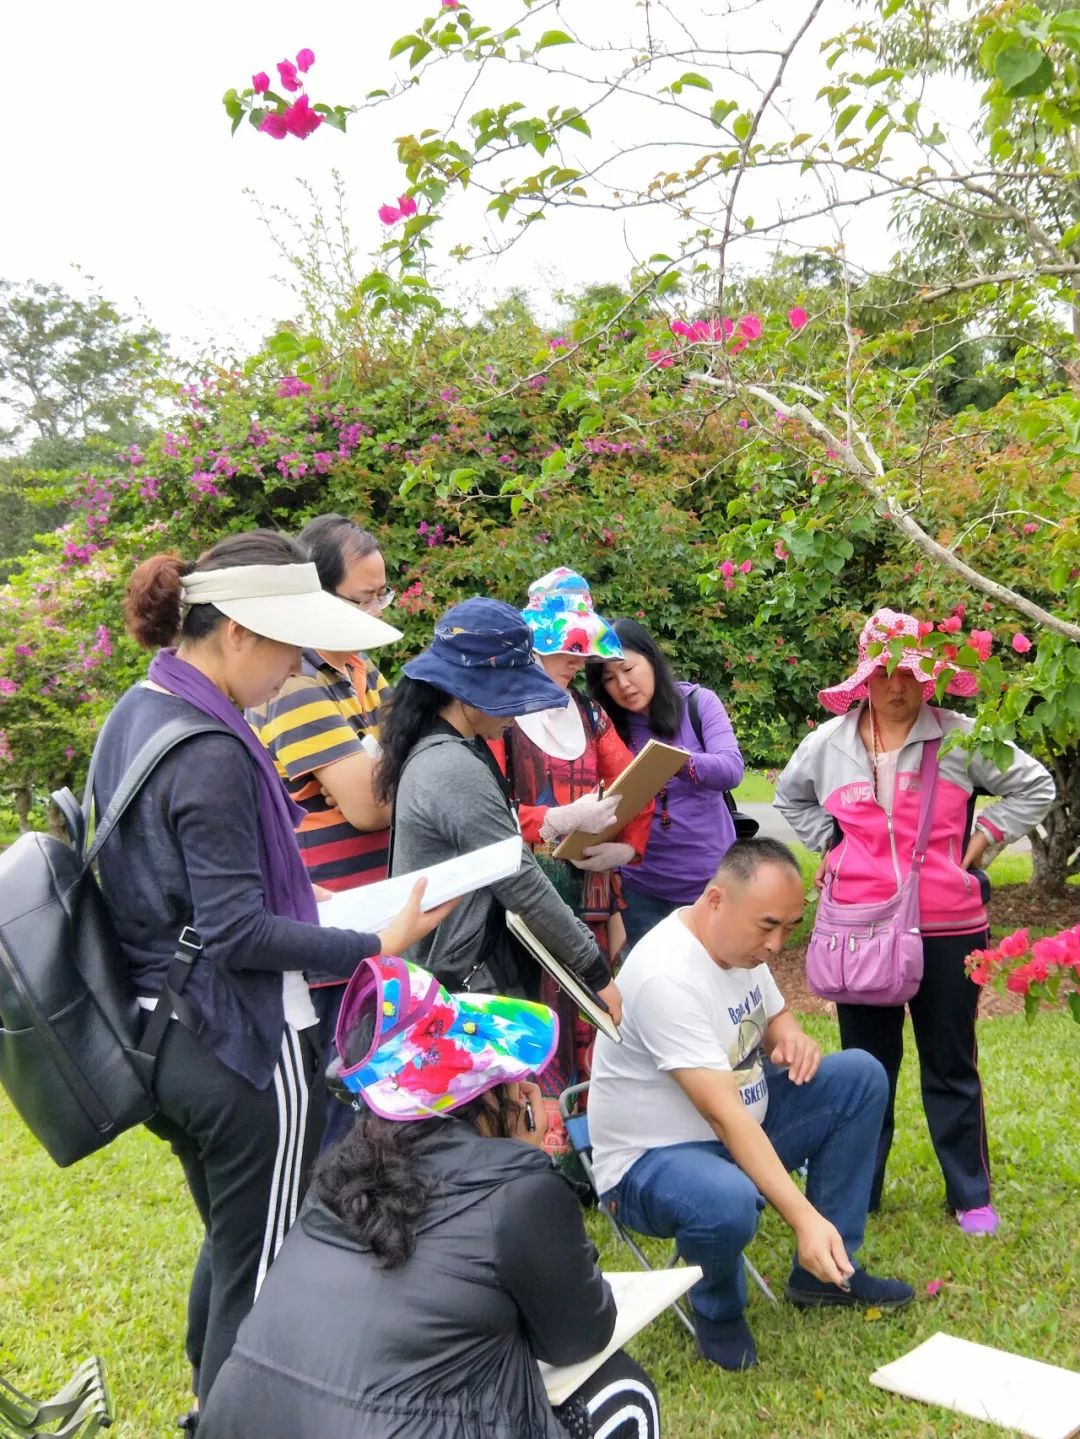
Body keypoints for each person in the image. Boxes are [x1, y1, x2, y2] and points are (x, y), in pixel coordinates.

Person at [93, 531, 455, 1414]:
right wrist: (375, 944)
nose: (296, 664)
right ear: (240, 633)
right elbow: (237, 931)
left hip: (162, 1034)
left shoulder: (138, 711)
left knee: (234, 1237)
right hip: (236, 1045)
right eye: (291, 643)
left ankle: (202, 1401)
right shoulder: (213, 747)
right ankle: (229, 1414)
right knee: (269, 1262)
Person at [198, 954, 660, 1439]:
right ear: (486, 1095)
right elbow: (581, 1334)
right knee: (624, 1393)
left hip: (241, 1419)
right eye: (515, 1080)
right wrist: (525, 1160)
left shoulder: (335, 1173)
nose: (529, 1092)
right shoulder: (520, 1192)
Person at [774, 607, 1055, 1235]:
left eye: (909, 673)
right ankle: (858, 1193)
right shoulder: (828, 745)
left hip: (950, 928)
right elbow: (791, 796)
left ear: (928, 679)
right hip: (862, 930)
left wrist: (981, 840)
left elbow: (1034, 785)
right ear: (863, 680)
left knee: (950, 1065)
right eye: (883, 674)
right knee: (867, 1070)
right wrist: (833, 844)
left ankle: (970, 1195)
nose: (896, 686)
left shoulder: (961, 737)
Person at [588, 840, 913, 1373]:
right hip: (651, 1165)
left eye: (788, 927)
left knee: (859, 1075)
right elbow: (724, 1115)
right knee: (727, 1197)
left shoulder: (737, 944)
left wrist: (792, 1037)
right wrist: (803, 1219)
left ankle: (828, 1275)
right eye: (768, 926)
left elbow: (774, 1017)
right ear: (716, 900)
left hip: (736, 1133)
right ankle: (717, 1310)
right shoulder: (666, 975)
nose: (777, 945)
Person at [376, 597, 622, 1026]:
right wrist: (595, 971)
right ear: (470, 690)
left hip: (451, 987)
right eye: (511, 695)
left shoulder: (447, 749)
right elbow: (520, 880)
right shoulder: (451, 766)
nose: (517, 713)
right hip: (455, 999)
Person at [247, 514, 400, 1149]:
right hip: (334, 935)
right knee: (347, 1113)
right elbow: (372, 805)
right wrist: (399, 761)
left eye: (381, 594)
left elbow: (400, 768)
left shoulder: (363, 671)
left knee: (385, 1094)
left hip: (379, 921)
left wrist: (388, 759)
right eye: (360, 598)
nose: (373, 609)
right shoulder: (294, 685)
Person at [491, 568, 652, 1106]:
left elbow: (637, 784)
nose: (576, 661)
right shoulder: (498, 716)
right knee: (539, 1020)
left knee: (597, 1016)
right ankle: (545, 1144)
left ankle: (595, 1139)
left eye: (581, 651)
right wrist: (552, 821)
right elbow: (486, 812)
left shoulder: (588, 712)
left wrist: (629, 844)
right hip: (528, 898)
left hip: (594, 896)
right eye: (564, 648)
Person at [588, 618, 745, 952]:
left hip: (714, 883)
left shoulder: (698, 704)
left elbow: (731, 768)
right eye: (610, 679)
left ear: (651, 658)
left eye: (629, 669)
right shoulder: (606, 727)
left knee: (717, 989)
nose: (624, 685)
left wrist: (674, 761)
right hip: (641, 890)